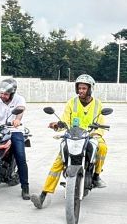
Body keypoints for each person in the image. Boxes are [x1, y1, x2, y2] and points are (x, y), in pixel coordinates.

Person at [31, 74, 108, 208]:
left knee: (102, 147)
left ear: (90, 89)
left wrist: (96, 133)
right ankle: (43, 195)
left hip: (91, 135)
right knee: (58, 161)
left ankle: (96, 176)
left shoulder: (98, 104)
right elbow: (65, 120)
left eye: (84, 88)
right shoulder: (71, 102)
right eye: (79, 88)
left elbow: (100, 123)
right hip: (73, 136)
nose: (81, 91)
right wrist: (58, 125)